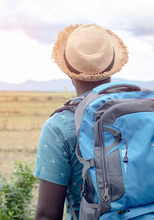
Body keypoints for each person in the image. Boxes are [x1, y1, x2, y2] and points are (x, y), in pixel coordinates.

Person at [34, 24, 129, 220]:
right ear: (111, 67)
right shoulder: (140, 113)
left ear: (69, 72)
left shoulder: (60, 126)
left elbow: (47, 215)